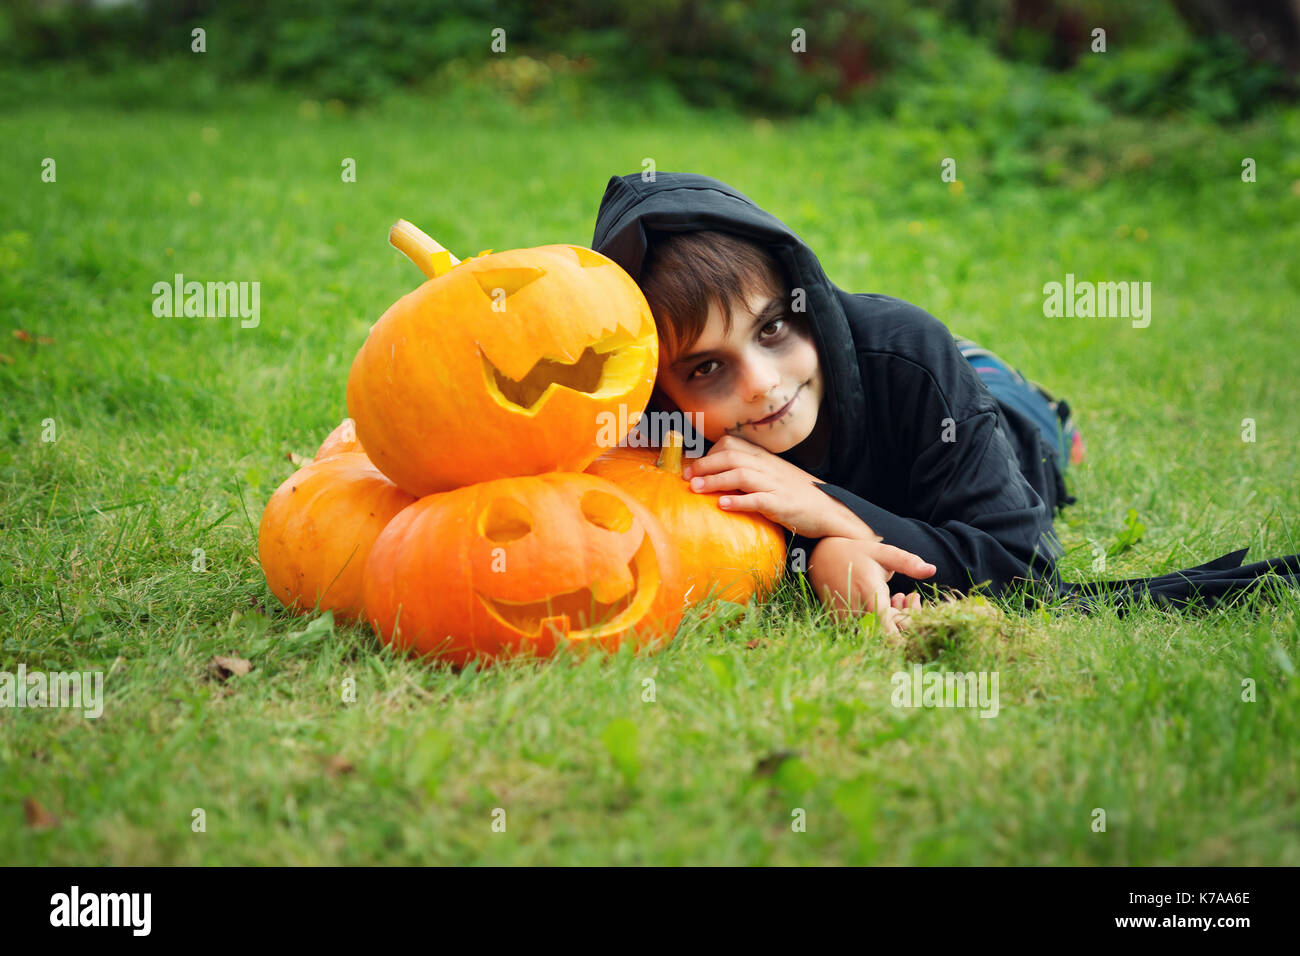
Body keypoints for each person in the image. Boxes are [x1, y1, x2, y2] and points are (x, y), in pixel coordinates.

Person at [591, 171, 1081, 634]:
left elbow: (1023, 576)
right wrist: (826, 557)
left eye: (772, 328)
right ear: (661, 394)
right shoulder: (657, 444)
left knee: (1015, 405)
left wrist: (831, 508)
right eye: (705, 368)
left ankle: (1025, 396)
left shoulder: (912, 353)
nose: (760, 383)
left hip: (994, 406)